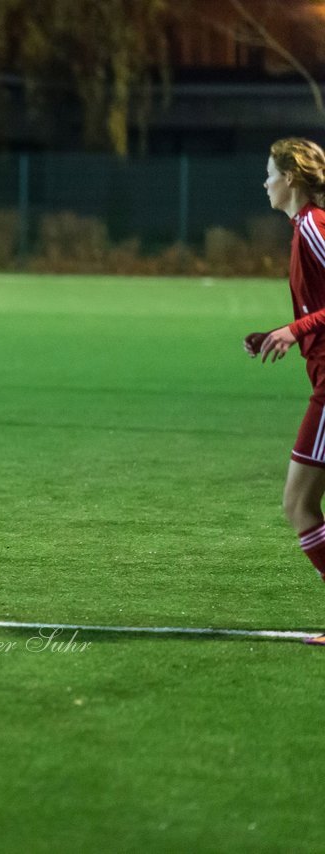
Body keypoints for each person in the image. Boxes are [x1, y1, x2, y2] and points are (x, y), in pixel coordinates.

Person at [246, 136, 325, 646]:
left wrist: (294, 331)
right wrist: (284, 329)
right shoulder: (303, 229)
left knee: (298, 505)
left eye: (271, 173)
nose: (265, 183)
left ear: (290, 178)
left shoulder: (314, 227)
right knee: (300, 504)